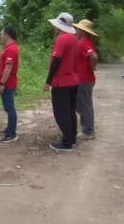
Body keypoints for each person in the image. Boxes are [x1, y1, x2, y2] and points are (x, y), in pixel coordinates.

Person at [43, 12, 79, 152]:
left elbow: (56, 61)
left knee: (60, 112)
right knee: (70, 111)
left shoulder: (61, 39)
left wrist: (48, 81)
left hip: (61, 82)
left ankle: (67, 142)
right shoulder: (74, 39)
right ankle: (72, 138)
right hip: (73, 80)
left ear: (59, 26)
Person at [72, 20, 99, 140]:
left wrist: (91, 68)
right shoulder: (86, 42)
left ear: (82, 31)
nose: (76, 31)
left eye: (78, 29)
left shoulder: (83, 43)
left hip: (84, 78)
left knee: (84, 104)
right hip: (84, 78)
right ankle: (87, 127)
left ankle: (87, 130)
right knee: (82, 103)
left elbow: (93, 56)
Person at [0, 25, 19, 143]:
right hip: (7, 83)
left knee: (9, 108)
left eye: (1, 34)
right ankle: (9, 129)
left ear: (6, 35)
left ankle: (12, 133)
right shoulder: (9, 48)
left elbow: (8, 68)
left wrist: (2, 83)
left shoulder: (11, 49)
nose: (0, 36)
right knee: (8, 107)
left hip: (7, 83)